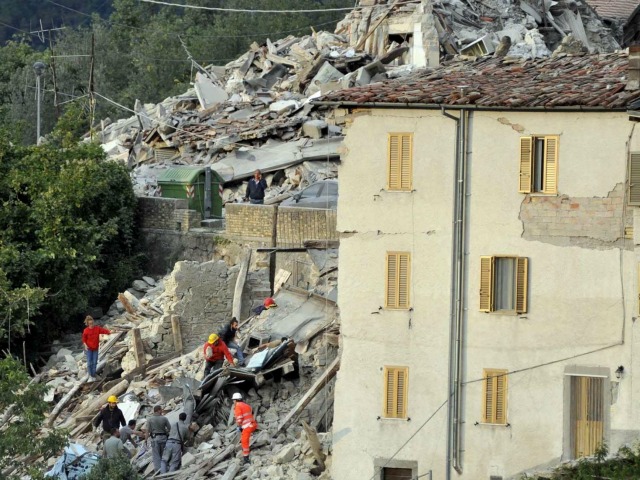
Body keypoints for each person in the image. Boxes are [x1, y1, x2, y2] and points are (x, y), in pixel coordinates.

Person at [81, 315, 112, 382]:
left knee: (95, 362)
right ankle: (90, 375)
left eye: (92, 323)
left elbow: (104, 331)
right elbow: (84, 339)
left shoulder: (97, 328)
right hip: (89, 349)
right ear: (87, 323)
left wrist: (110, 332)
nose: (91, 325)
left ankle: (93, 374)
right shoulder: (86, 330)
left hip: (95, 348)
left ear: (93, 322)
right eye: (90, 324)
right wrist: (85, 345)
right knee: (89, 363)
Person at [233, 392, 257, 464]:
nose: (233, 402)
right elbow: (249, 415)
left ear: (235, 400)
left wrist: (238, 426)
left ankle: (246, 458)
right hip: (252, 425)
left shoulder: (237, 406)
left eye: (233, 400)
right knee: (246, 439)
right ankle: (246, 454)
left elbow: (239, 418)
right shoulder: (247, 405)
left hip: (247, 426)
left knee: (244, 441)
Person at [146, 405, 171, 474]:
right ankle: (166, 469)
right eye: (161, 410)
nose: (162, 411)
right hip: (164, 438)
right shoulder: (164, 418)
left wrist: (145, 440)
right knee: (164, 454)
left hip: (155, 439)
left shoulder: (150, 419)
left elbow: (147, 431)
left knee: (156, 456)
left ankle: (159, 471)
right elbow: (170, 429)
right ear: (158, 410)